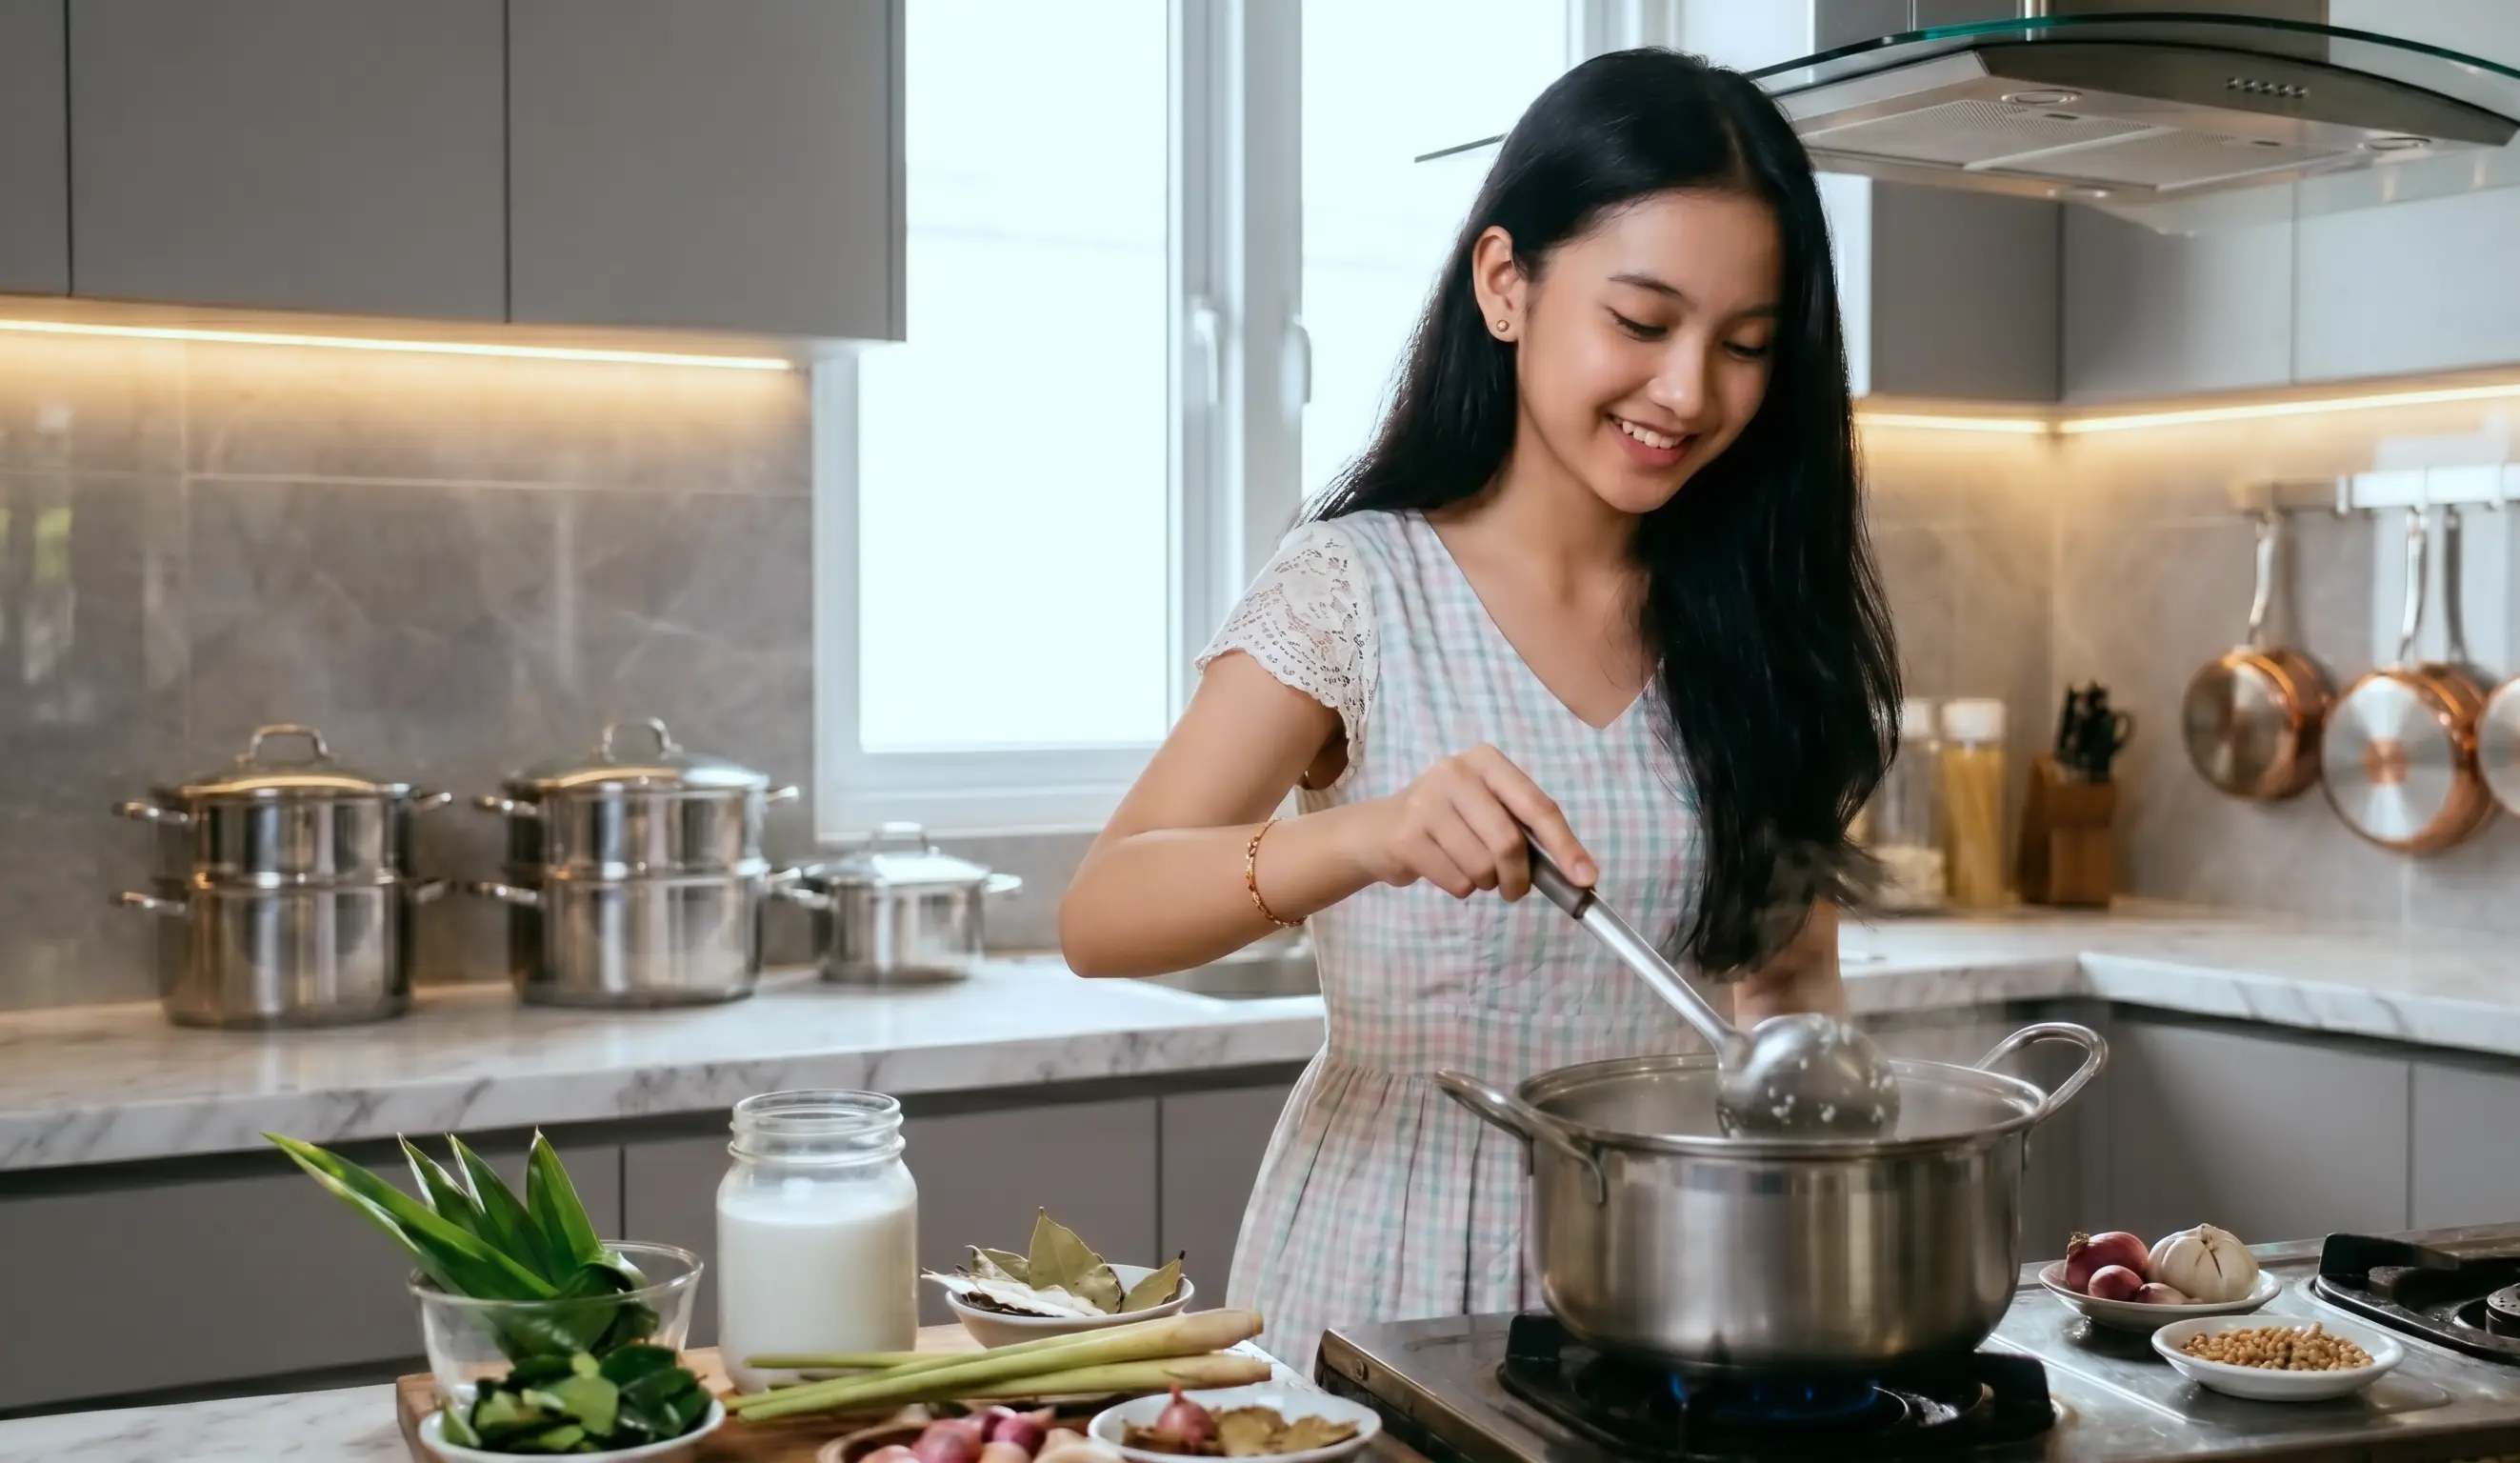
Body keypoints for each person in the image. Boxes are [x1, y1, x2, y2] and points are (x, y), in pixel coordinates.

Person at [1058, 47, 1899, 1370]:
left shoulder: (1756, 627)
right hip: (1381, 1271)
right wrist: (1371, 835)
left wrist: (1819, 1195)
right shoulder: (1358, 587)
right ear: (1506, 284)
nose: (1687, 392)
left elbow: (1786, 983)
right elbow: (1101, 913)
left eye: (1742, 347)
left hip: (1670, 1291)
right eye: (1639, 322)